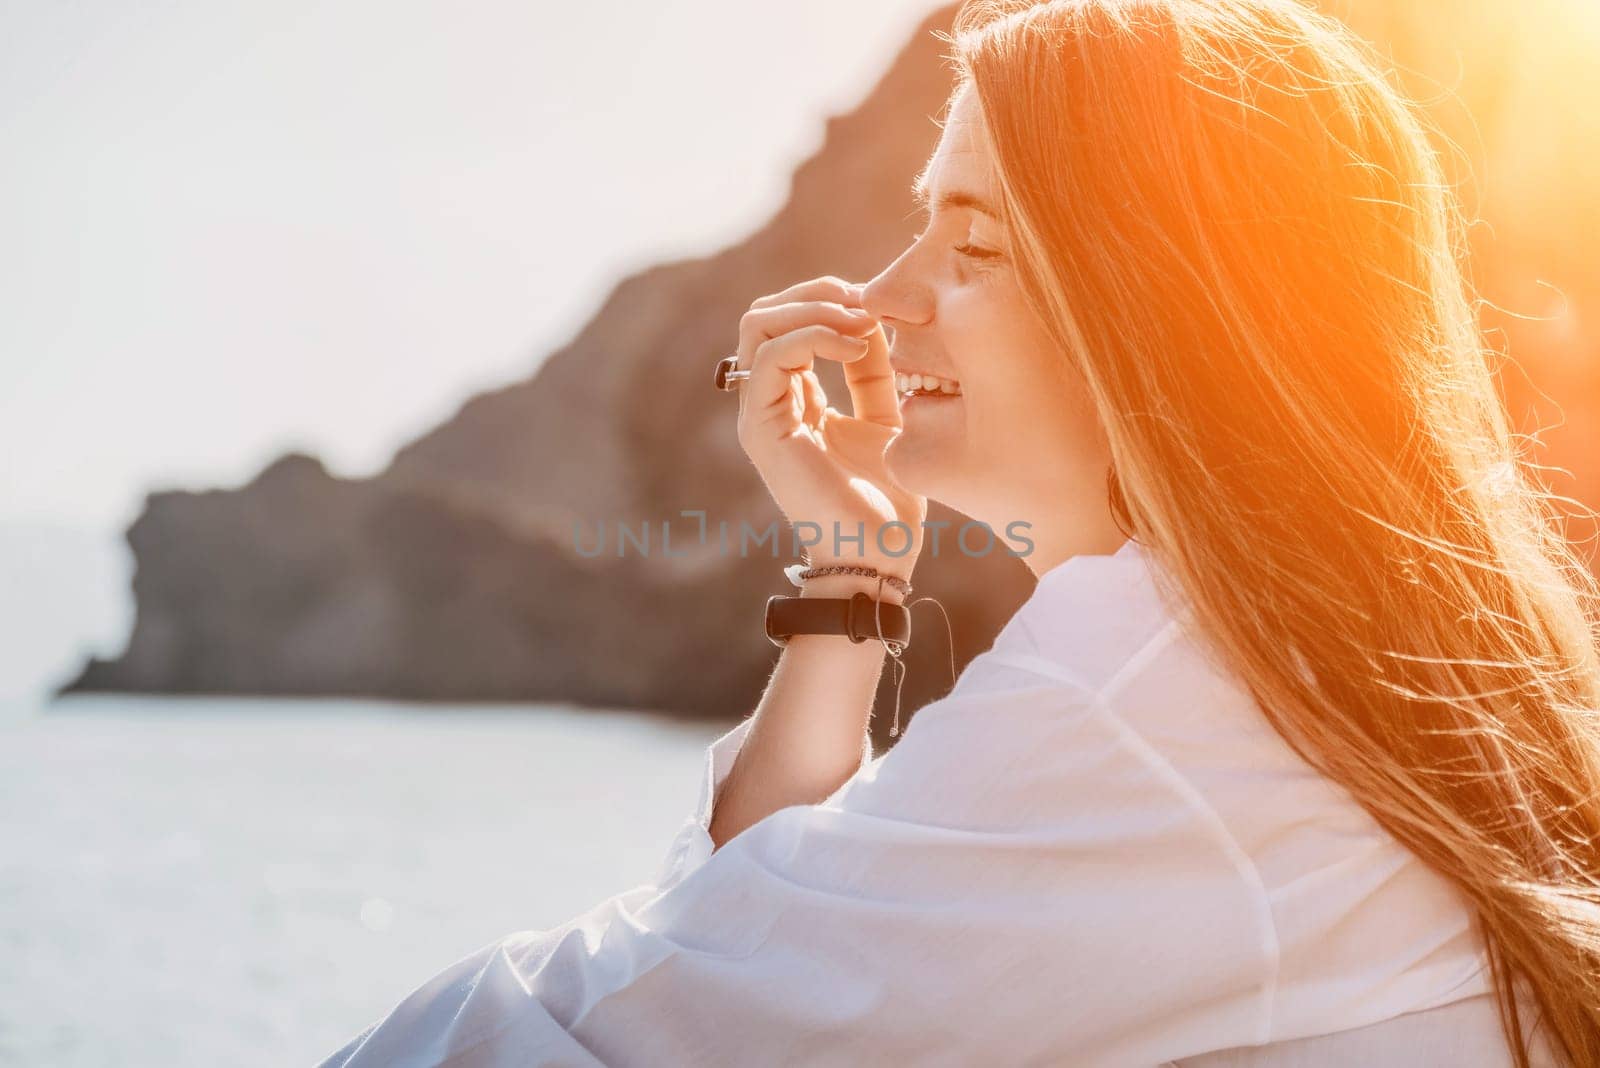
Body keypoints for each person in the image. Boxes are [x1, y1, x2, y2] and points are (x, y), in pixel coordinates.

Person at [319, 0, 1600, 1064]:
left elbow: (635, 1023)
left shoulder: (1152, 696)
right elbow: (773, 949)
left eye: (972, 245)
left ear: (1155, 311)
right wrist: (855, 572)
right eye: (919, 222)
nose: (882, 298)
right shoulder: (1348, 657)